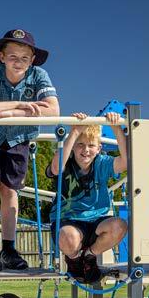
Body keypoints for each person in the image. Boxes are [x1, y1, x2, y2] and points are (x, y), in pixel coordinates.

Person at [0, 29, 59, 271]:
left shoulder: (38, 75)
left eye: (24, 58)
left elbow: (53, 110)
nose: (18, 62)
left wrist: (10, 113)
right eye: (12, 56)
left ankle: (9, 248)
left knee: (11, 190)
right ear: (2, 57)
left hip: (19, 137)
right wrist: (20, 104)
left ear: (32, 60)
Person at [46, 111, 127, 283]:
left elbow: (125, 162)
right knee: (68, 235)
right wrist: (75, 131)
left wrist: (116, 128)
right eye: (80, 145)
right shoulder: (66, 162)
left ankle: (89, 256)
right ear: (73, 147)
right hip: (69, 220)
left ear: (99, 148)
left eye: (91, 145)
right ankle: (74, 259)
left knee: (119, 225)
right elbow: (55, 168)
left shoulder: (102, 163)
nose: (86, 150)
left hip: (96, 221)